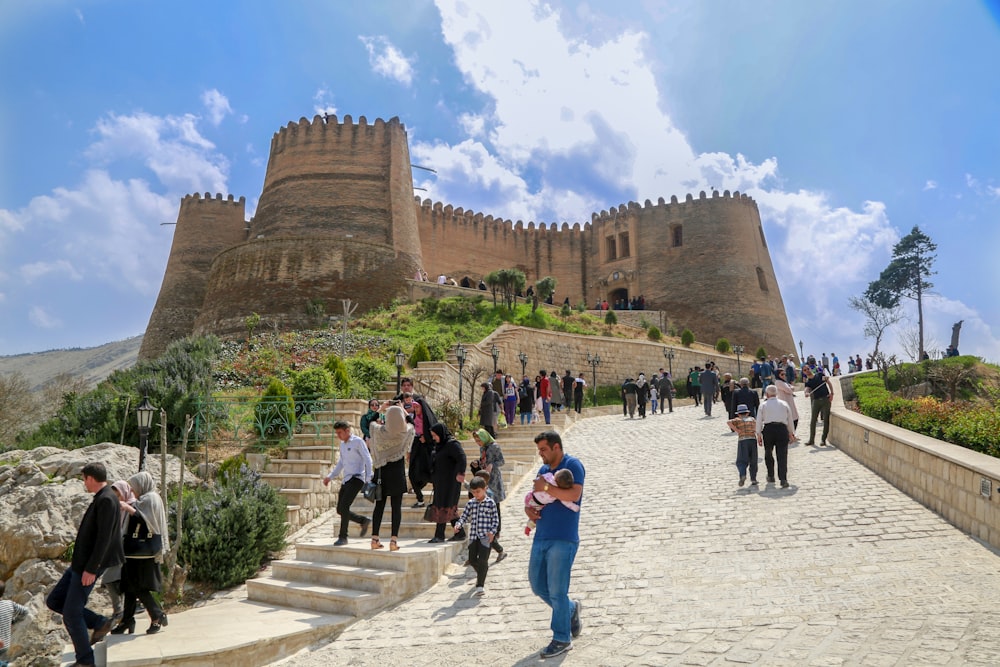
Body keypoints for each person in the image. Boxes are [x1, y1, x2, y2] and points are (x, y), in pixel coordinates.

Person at [46, 462, 124, 667]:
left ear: (90, 478)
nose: (83, 483)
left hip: (88, 567)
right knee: (54, 601)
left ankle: (86, 661)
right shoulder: (104, 497)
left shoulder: (107, 499)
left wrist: (91, 569)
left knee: (71, 614)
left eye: (84, 479)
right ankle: (99, 622)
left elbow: (104, 539)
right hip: (80, 565)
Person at [526, 431, 585, 659]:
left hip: (563, 537)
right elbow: (536, 497)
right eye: (539, 450)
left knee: (558, 590)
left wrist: (547, 488)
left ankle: (562, 638)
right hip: (542, 536)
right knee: (538, 585)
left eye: (543, 449)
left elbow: (574, 494)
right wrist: (528, 510)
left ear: (556, 447)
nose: (540, 454)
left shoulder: (573, 465)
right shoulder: (542, 471)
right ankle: (570, 610)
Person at [113, 471, 170, 635]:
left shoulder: (149, 499)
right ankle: (127, 621)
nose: (132, 491)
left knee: (138, 586)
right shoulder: (148, 499)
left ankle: (158, 615)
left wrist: (127, 508)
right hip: (136, 552)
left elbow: (145, 521)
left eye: (133, 487)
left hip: (142, 552)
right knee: (130, 586)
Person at [368, 405, 414, 552]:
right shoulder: (406, 432)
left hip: (381, 473)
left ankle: (374, 539)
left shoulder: (378, 431)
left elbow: (370, 421)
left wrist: (381, 409)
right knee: (396, 508)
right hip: (397, 474)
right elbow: (411, 423)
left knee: (379, 507)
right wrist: (403, 411)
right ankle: (393, 541)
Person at [323, 421, 373, 546]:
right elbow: (341, 463)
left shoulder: (358, 442)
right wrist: (330, 476)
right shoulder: (342, 445)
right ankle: (363, 520)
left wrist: (368, 478)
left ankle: (343, 537)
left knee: (344, 507)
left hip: (357, 479)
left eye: (340, 432)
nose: (338, 435)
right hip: (346, 479)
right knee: (340, 509)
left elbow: (368, 459)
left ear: (347, 430)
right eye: (337, 433)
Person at [453, 476, 499, 598]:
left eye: (478, 491)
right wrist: (458, 524)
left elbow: (495, 520)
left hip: (486, 537)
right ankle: (482, 572)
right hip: (473, 536)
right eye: (473, 492)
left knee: (483, 560)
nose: (476, 494)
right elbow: (464, 516)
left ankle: (480, 585)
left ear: (485, 489)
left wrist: (492, 532)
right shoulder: (471, 503)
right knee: (472, 560)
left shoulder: (490, 503)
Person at [99, 480, 135, 628]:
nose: (117, 498)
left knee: (109, 578)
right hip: (117, 550)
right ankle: (121, 611)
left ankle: (119, 611)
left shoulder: (132, 506)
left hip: (126, 551)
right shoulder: (119, 509)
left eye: (118, 495)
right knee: (113, 580)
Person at [427, 423, 467, 543]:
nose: (434, 438)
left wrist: (460, 473)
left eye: (435, 435)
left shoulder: (452, 445)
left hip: (450, 482)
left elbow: (462, 458)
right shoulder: (439, 446)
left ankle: (439, 535)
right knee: (446, 507)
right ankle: (460, 533)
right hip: (440, 482)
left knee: (446, 506)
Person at [756, 385, 797, 488]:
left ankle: (770, 475)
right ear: (777, 393)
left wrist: (758, 434)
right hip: (782, 430)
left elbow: (759, 420)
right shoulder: (784, 404)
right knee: (782, 455)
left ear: (767, 394)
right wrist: (791, 433)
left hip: (768, 430)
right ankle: (783, 479)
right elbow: (790, 419)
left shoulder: (763, 405)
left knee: (768, 453)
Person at [524, 469, 579, 535]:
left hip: (530, 497)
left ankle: (529, 525)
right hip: (537, 504)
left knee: (533, 513)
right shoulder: (557, 493)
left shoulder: (549, 476)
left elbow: (538, 480)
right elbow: (566, 502)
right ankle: (529, 527)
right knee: (535, 516)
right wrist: (575, 507)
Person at [728, 404, 759, 487]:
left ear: (738, 414)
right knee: (753, 460)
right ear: (747, 413)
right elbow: (757, 428)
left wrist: (737, 430)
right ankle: (753, 479)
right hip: (752, 440)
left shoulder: (738, 420)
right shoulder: (752, 419)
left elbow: (729, 422)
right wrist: (759, 437)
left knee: (741, 460)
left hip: (743, 440)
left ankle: (742, 474)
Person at [0, 580, 29, 667]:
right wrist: (13, 621)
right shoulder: (9, 604)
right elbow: (25, 611)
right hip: (6, 643)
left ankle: (6, 665)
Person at [803, 366, 834, 446]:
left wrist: (832, 393)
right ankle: (811, 440)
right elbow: (807, 388)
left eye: (808, 369)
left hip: (825, 399)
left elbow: (828, 382)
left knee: (826, 420)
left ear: (810, 369)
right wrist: (806, 393)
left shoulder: (819, 375)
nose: (807, 370)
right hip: (816, 401)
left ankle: (823, 440)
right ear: (804, 372)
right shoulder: (808, 382)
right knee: (813, 421)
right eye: (805, 370)